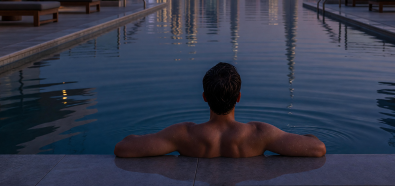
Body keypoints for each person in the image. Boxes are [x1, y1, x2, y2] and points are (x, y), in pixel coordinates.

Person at [114, 62, 326, 158]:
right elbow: (317, 148)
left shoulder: (184, 135)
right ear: (239, 98)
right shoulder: (259, 134)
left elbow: (123, 148)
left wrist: (132, 137)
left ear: (204, 98)